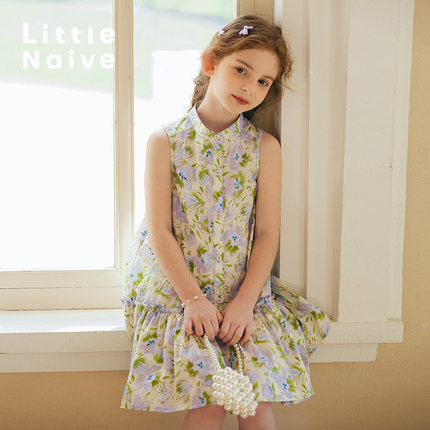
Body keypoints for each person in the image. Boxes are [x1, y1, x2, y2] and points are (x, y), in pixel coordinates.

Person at [120, 14, 331, 430]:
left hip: (242, 295)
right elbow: (160, 231)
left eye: (263, 81)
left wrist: (245, 303)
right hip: (180, 293)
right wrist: (193, 299)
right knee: (209, 404)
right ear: (211, 63)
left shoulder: (264, 148)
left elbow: (267, 233)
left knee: (256, 405)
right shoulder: (165, 141)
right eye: (241, 71)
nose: (250, 87)